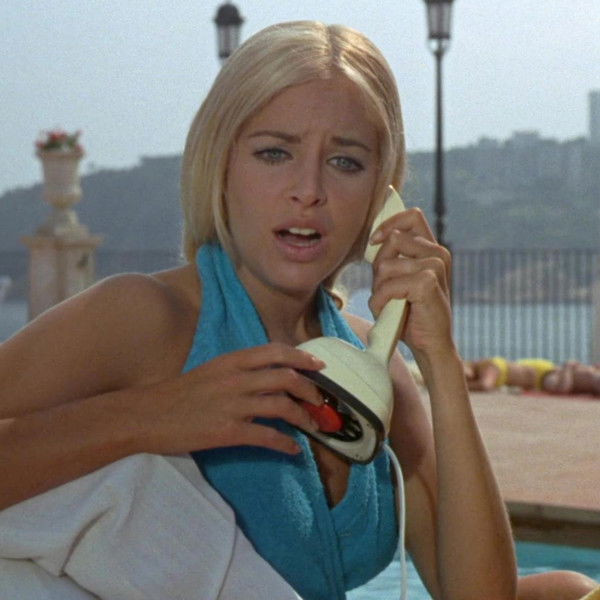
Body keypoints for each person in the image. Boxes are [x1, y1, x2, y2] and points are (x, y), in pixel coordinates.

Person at [0, 20, 597, 600]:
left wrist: (440, 359)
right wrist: (153, 414)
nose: (308, 190)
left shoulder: (373, 373)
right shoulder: (146, 318)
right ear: (221, 165)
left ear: (380, 194)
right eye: (274, 153)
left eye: (345, 162)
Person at [464, 357, 600, 396]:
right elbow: (484, 385)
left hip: (544, 375)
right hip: (543, 376)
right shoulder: (489, 368)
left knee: (589, 376)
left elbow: (484, 385)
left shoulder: (490, 366)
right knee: (589, 378)